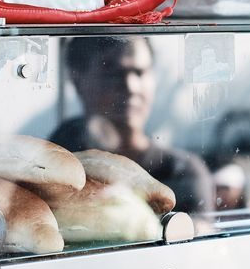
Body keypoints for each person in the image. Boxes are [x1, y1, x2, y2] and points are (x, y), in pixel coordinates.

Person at [50, 34, 214, 216]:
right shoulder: (56, 160)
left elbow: (200, 236)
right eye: (113, 74)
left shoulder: (181, 172)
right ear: (78, 80)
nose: (131, 87)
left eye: (140, 72)